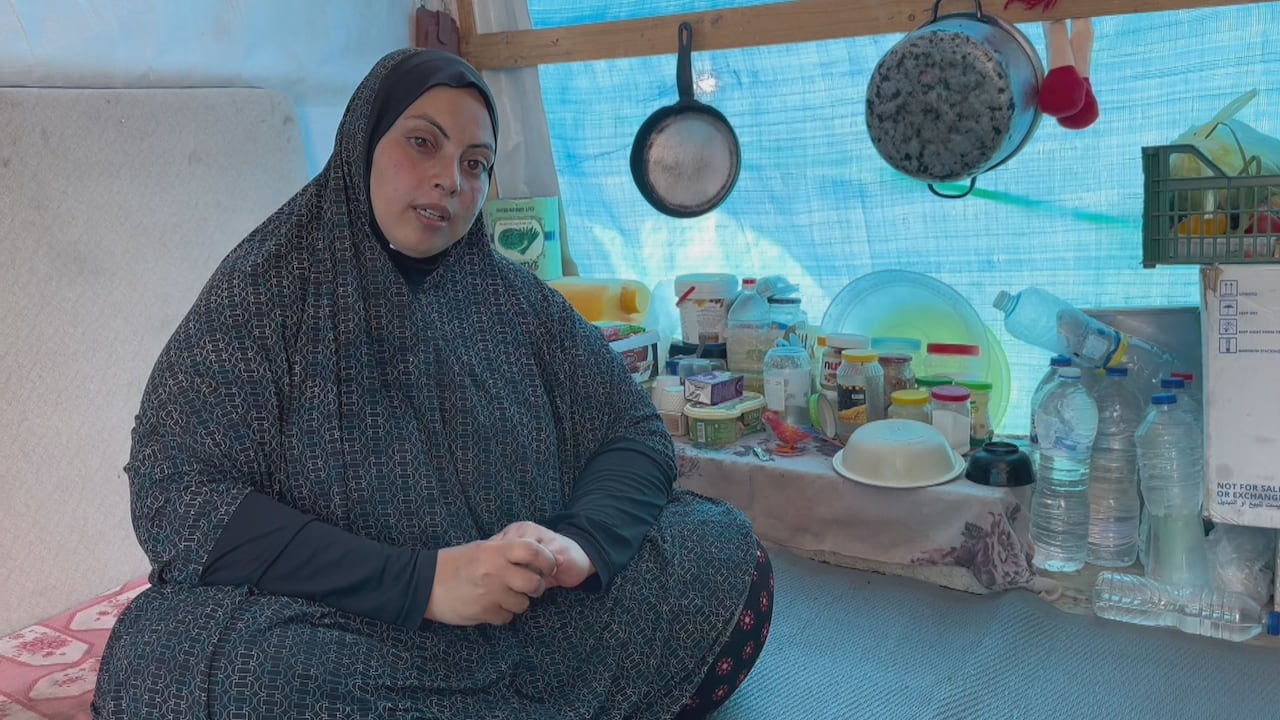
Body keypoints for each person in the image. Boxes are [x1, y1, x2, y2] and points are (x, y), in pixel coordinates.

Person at [92, 48, 772, 719]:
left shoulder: (514, 299)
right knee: (174, 662)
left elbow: (630, 431)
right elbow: (175, 497)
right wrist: (425, 583)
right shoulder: (264, 294)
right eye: (424, 143)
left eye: (475, 164)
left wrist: (579, 545)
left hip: (535, 612)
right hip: (358, 628)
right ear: (363, 141)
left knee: (723, 550)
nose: (451, 180)